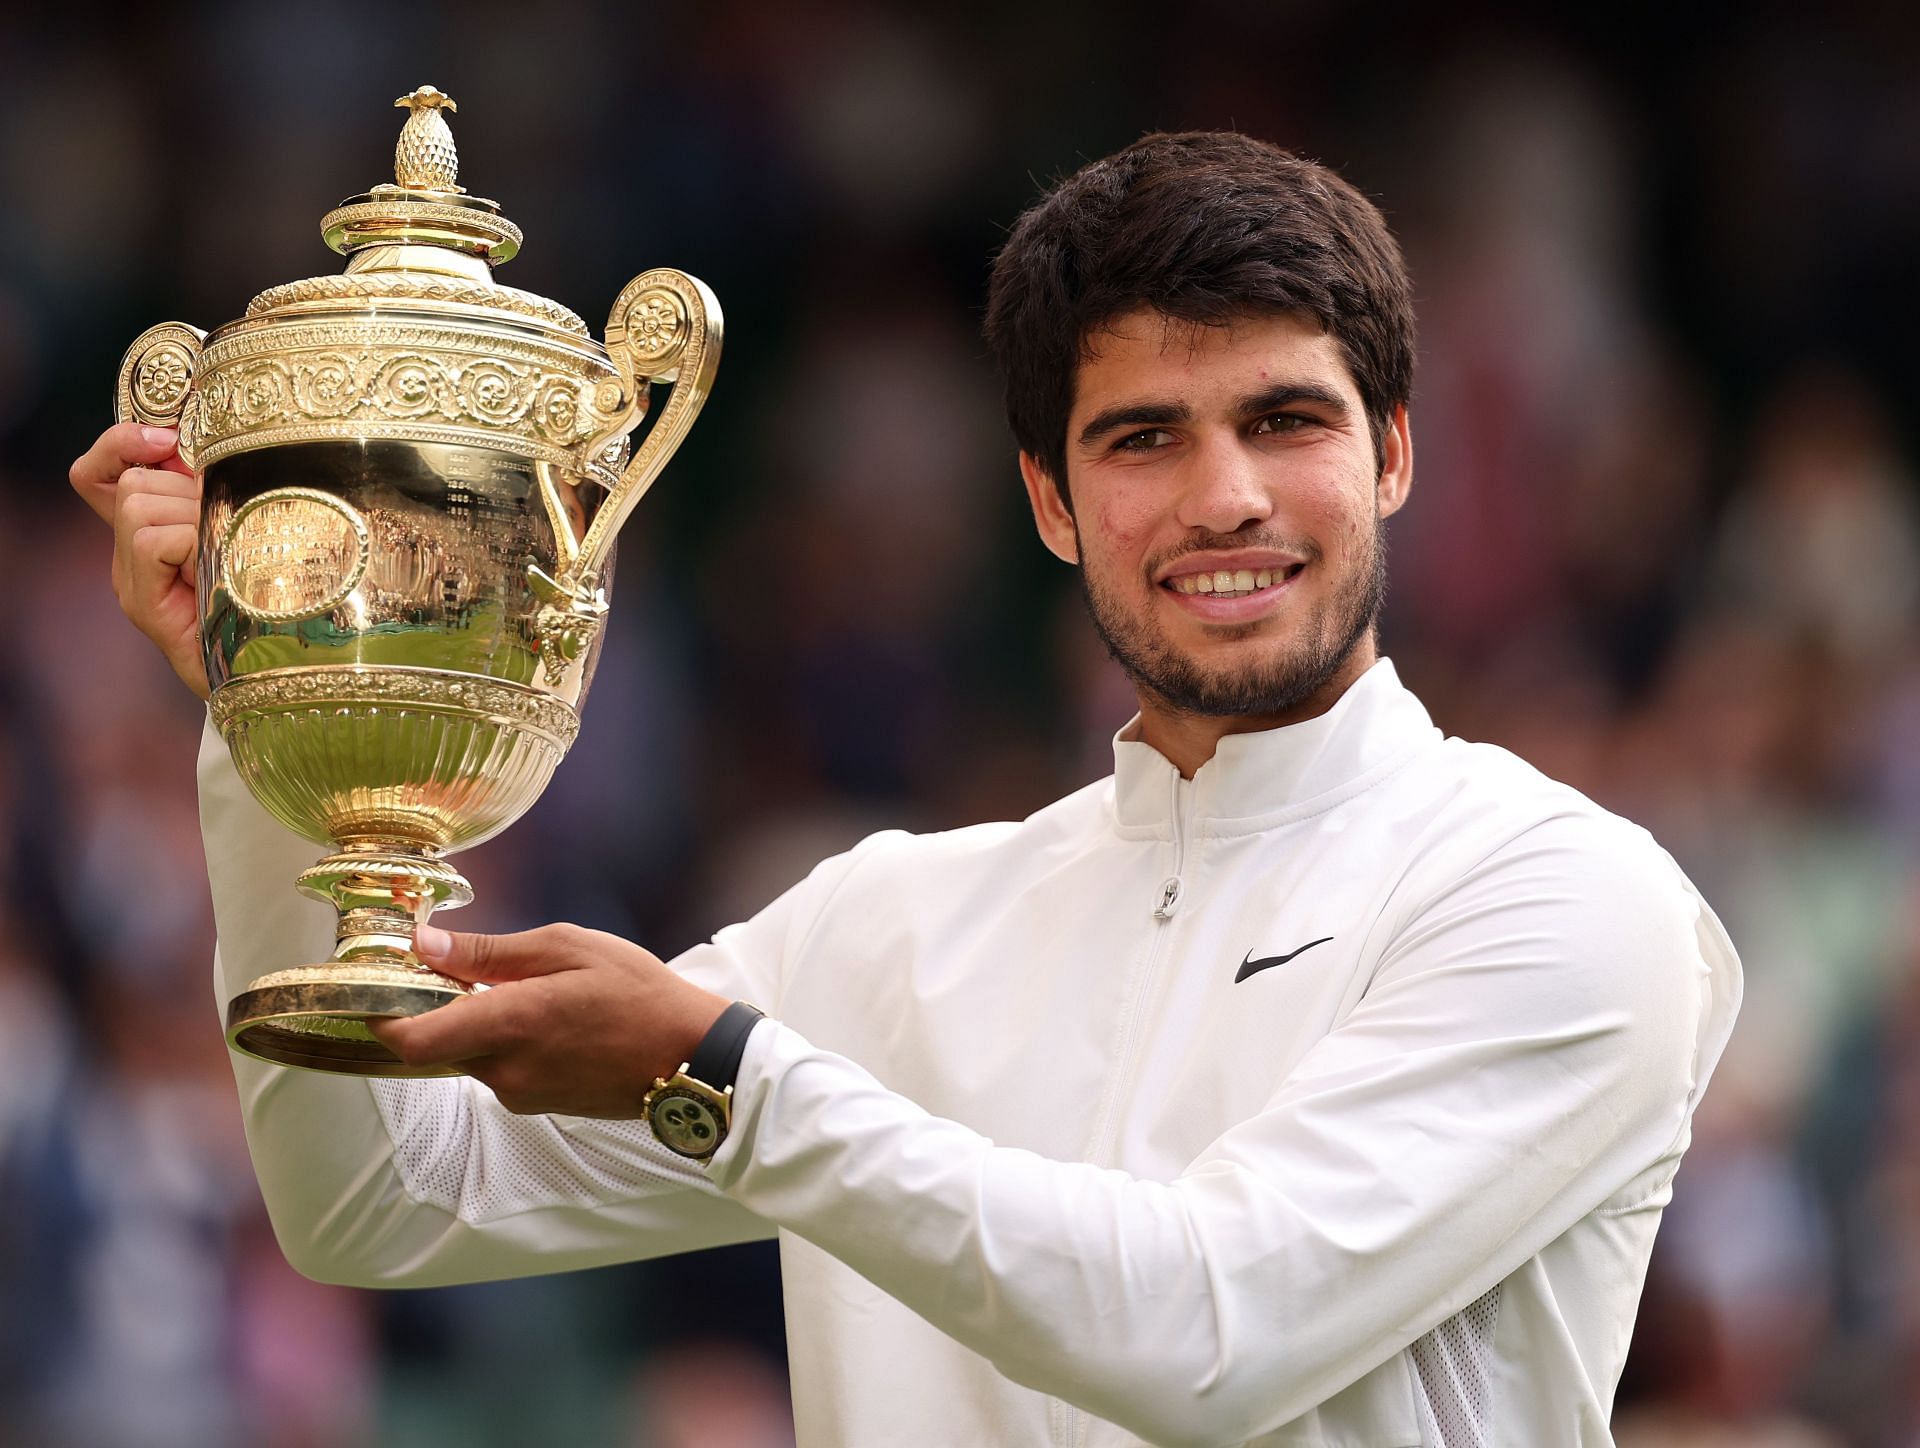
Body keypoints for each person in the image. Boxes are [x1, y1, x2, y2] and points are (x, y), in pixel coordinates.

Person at [73, 131, 1740, 1447]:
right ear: (1048, 500)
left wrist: (726, 1079)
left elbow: (1216, 1334)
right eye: (1143, 437)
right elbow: (381, 1201)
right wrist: (281, 698)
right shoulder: (892, 922)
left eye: (1285, 421)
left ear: (1391, 453)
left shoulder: (1563, 894)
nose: (1225, 497)